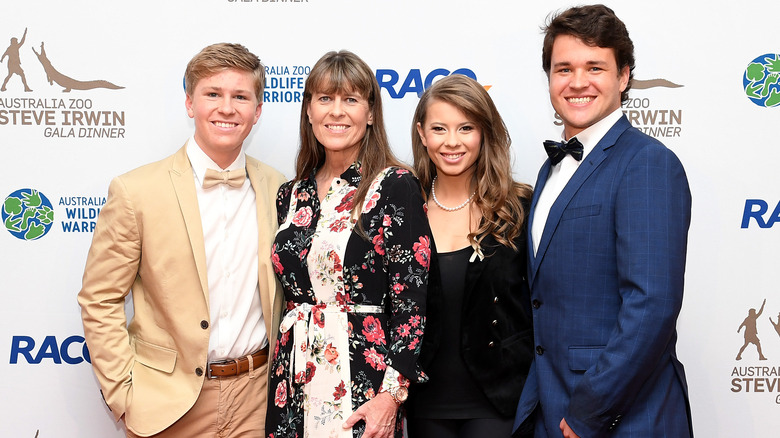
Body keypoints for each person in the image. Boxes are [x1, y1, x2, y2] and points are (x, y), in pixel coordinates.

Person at [78, 43, 285, 437]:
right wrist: (124, 393)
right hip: (167, 404)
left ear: (257, 111)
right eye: (213, 94)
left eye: (240, 97)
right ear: (190, 103)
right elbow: (99, 298)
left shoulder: (280, 188)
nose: (227, 108)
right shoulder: (135, 190)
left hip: (257, 400)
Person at [513, 5, 693, 438]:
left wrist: (587, 413)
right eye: (564, 69)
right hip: (550, 406)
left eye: (595, 67)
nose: (577, 82)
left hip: (620, 417)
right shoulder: (550, 169)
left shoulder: (648, 164)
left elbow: (652, 306)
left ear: (624, 76)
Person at [265, 50, 431, 438]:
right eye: (325, 98)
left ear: (371, 113)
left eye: (351, 100)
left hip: (363, 385)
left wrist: (391, 397)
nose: (336, 112)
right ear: (308, 110)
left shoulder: (395, 185)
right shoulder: (291, 193)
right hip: (292, 377)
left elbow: (412, 304)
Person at [406, 75, 534, 438]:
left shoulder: (518, 208)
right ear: (421, 133)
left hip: (498, 403)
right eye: (439, 128)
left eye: (466, 127)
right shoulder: (403, 206)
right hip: (424, 404)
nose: (451, 142)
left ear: (484, 133)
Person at [1, 27, 33, 92]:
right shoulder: (12, 48)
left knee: (11, 75)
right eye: (16, 41)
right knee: (20, 74)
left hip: (13, 64)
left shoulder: (13, 47)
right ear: (13, 42)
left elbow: (22, 42)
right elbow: (4, 54)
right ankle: (26, 88)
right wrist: (2, 59)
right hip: (13, 64)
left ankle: (3, 87)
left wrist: (25, 34)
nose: (17, 42)